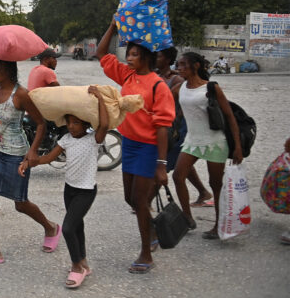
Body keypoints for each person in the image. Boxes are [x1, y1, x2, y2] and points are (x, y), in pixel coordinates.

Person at [95, 21, 175, 274]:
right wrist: (111, 26)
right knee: (130, 198)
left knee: (140, 201)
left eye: (134, 54)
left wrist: (161, 165)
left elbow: (163, 126)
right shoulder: (127, 75)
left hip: (148, 149)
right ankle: (150, 230)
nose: (129, 58)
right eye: (128, 53)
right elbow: (101, 53)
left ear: (147, 57)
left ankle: (146, 253)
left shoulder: (158, 85)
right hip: (129, 144)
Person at [0, 58, 59, 266]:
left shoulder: (21, 94)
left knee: (21, 204)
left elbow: (41, 123)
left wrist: (33, 152)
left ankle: (50, 227)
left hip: (15, 154)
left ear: (8, 69)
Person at [30, 86, 108, 289]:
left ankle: (76, 267)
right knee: (77, 225)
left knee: (68, 227)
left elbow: (105, 124)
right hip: (70, 189)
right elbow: (48, 158)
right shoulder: (66, 140)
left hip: (86, 191)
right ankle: (83, 263)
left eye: (75, 123)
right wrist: (30, 162)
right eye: (69, 123)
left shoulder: (94, 140)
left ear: (85, 124)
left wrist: (99, 98)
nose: (71, 127)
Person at [172, 52, 243, 239]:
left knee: (216, 184)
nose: (179, 68)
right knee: (178, 176)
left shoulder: (211, 88)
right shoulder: (180, 88)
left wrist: (237, 147)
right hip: (192, 141)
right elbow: (174, 108)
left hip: (215, 142)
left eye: (183, 65)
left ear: (196, 66)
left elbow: (229, 116)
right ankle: (187, 218)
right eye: (178, 65)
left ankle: (219, 225)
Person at [155, 47, 213, 207]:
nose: (155, 59)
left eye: (159, 56)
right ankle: (202, 192)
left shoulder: (179, 81)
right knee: (182, 164)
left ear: (167, 59)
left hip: (180, 127)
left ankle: (145, 201)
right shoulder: (160, 76)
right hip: (173, 126)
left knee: (165, 163)